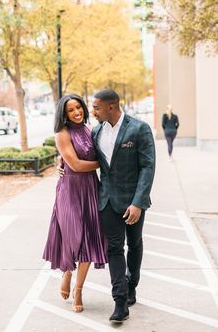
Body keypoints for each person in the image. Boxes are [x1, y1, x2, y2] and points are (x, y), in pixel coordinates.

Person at [91, 89, 156, 322]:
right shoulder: (96, 131)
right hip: (107, 199)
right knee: (114, 249)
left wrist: (138, 202)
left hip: (133, 201)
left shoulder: (139, 129)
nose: (93, 111)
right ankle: (119, 301)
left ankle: (132, 285)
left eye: (96, 107)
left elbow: (147, 167)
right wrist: (63, 166)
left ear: (111, 106)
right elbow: (88, 159)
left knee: (135, 243)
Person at [43, 94, 107, 313]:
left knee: (88, 239)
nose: (77, 112)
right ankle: (67, 272)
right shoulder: (61, 134)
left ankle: (78, 289)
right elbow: (77, 165)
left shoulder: (90, 129)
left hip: (90, 189)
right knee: (72, 238)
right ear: (64, 114)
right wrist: (106, 164)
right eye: (71, 110)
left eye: (78, 107)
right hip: (69, 191)